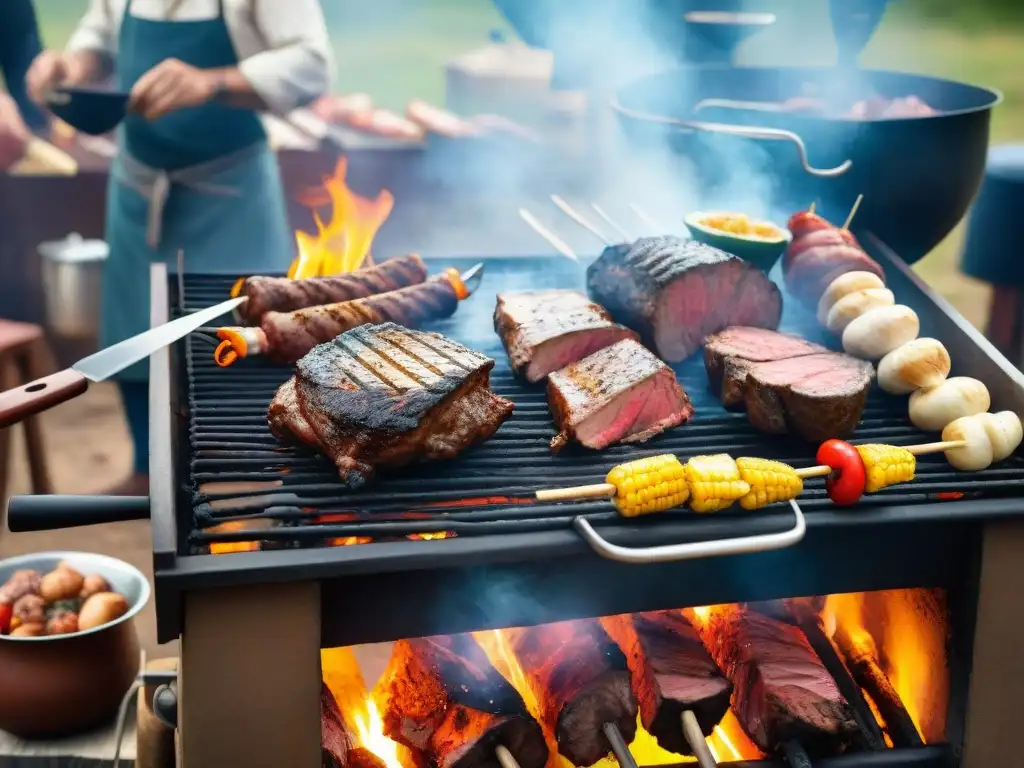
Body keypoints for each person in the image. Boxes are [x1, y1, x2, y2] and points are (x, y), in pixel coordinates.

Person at [26, 0, 333, 495]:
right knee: (132, 325)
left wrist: (213, 82)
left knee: (239, 333)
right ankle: (148, 471)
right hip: (138, 183)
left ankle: (240, 472)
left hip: (229, 189)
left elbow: (312, 63)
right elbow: (100, 35)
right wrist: (72, 67)